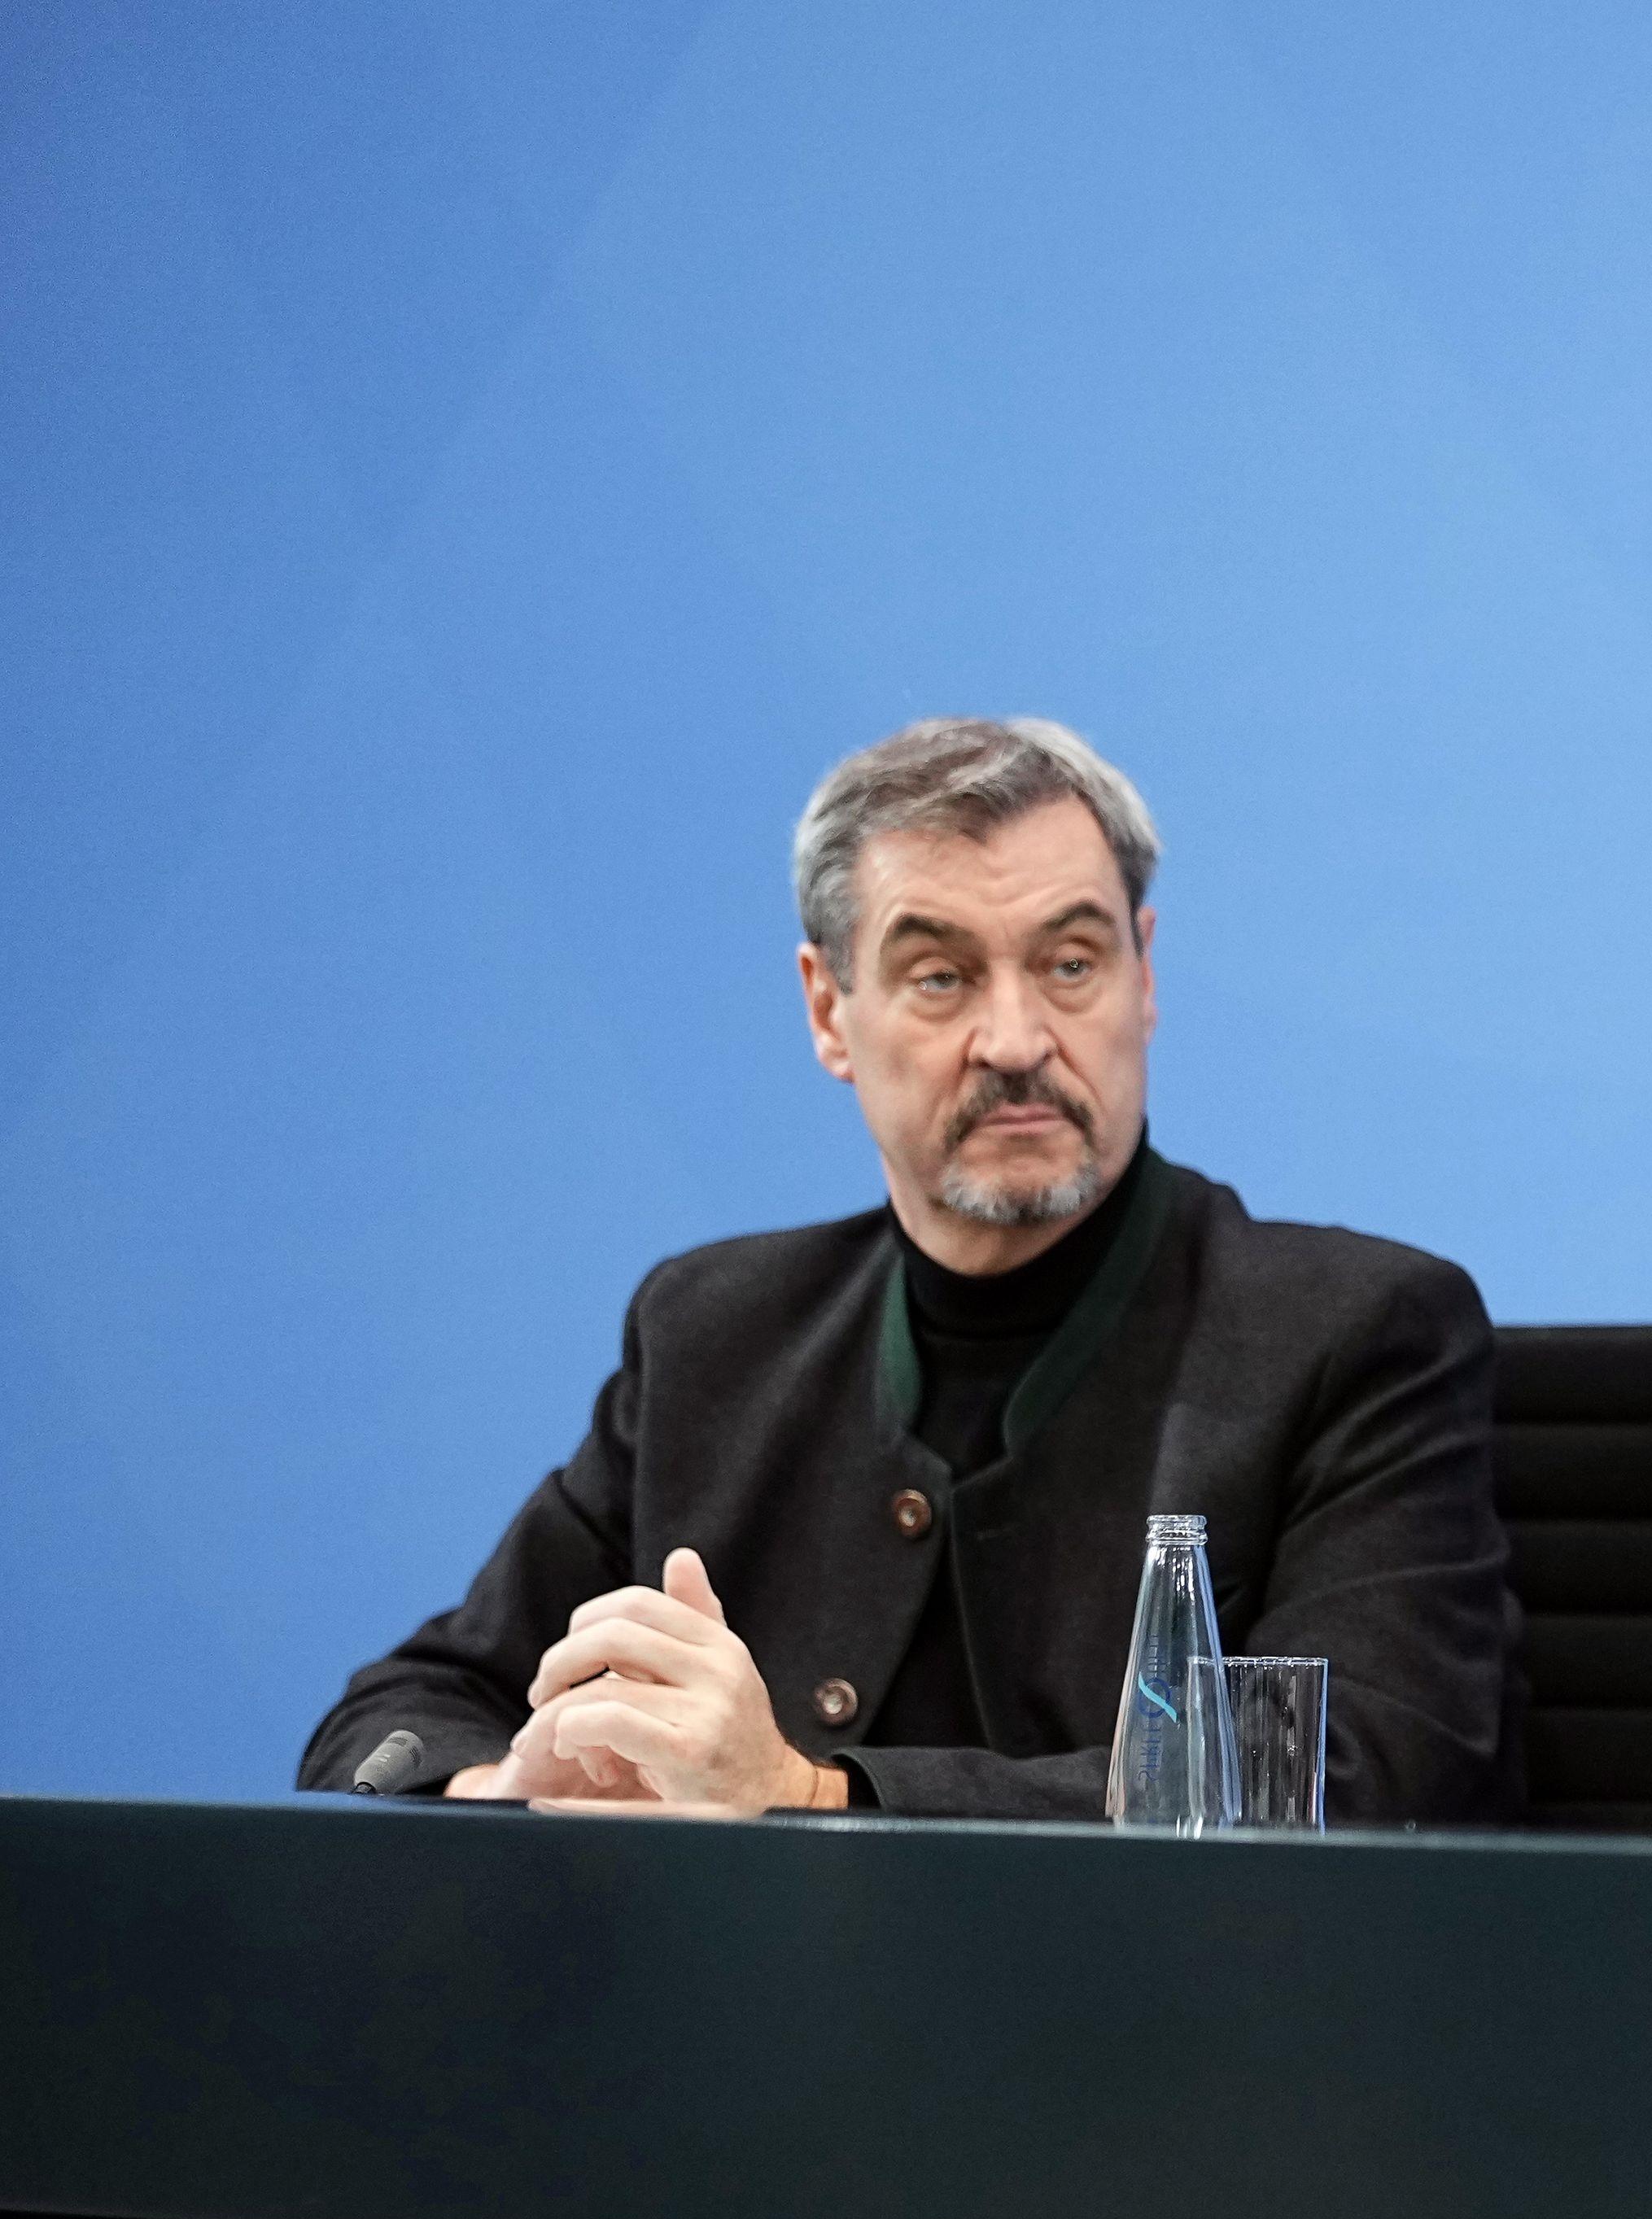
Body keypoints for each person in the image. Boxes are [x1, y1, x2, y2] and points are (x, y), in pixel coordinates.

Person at [302, 717, 1525, 1823]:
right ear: (830, 1009)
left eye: (1070, 963)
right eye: (941, 977)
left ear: (1144, 977)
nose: (1015, 1040)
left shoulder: (1353, 1335)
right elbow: (405, 1712)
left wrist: (808, 1795)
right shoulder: (713, 1334)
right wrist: (507, 1781)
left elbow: (1353, 1772)